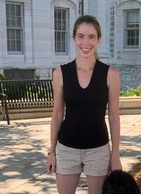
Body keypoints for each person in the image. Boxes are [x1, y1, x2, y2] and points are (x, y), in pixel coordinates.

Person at [46, 15, 122, 194]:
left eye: (91, 36)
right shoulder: (60, 73)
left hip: (98, 149)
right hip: (66, 148)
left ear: (99, 39)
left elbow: (113, 115)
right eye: (80, 36)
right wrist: (52, 152)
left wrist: (116, 154)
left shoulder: (111, 74)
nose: (85, 42)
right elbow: (57, 114)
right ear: (73, 39)